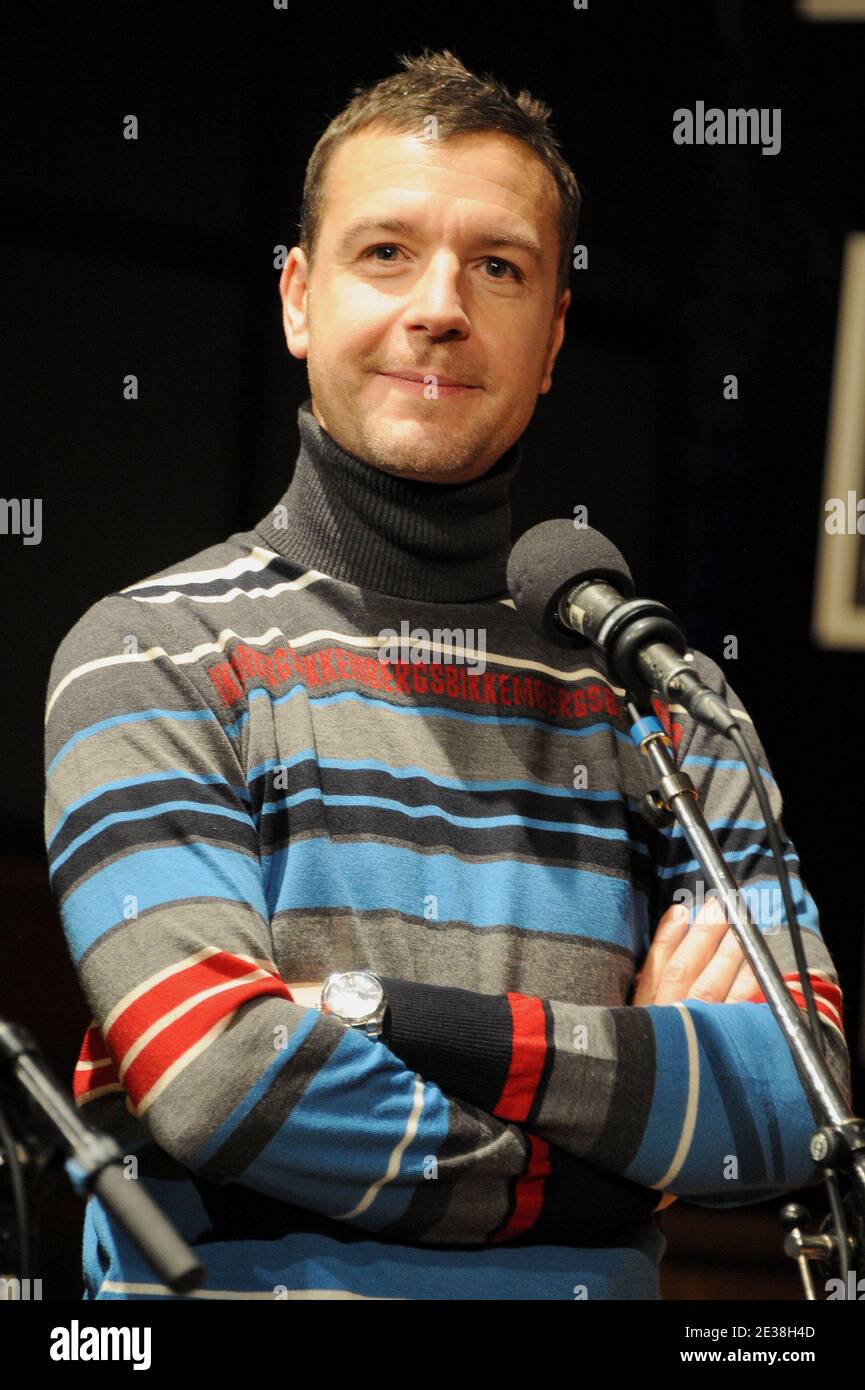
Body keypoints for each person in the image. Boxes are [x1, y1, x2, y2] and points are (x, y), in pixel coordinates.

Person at [44, 48, 850, 1301]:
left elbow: (795, 1104)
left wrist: (368, 1010)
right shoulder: (146, 652)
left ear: (553, 333)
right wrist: (611, 1162)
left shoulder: (660, 688)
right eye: (385, 253)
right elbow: (219, 1074)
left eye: (498, 267)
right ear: (299, 298)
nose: (440, 307)